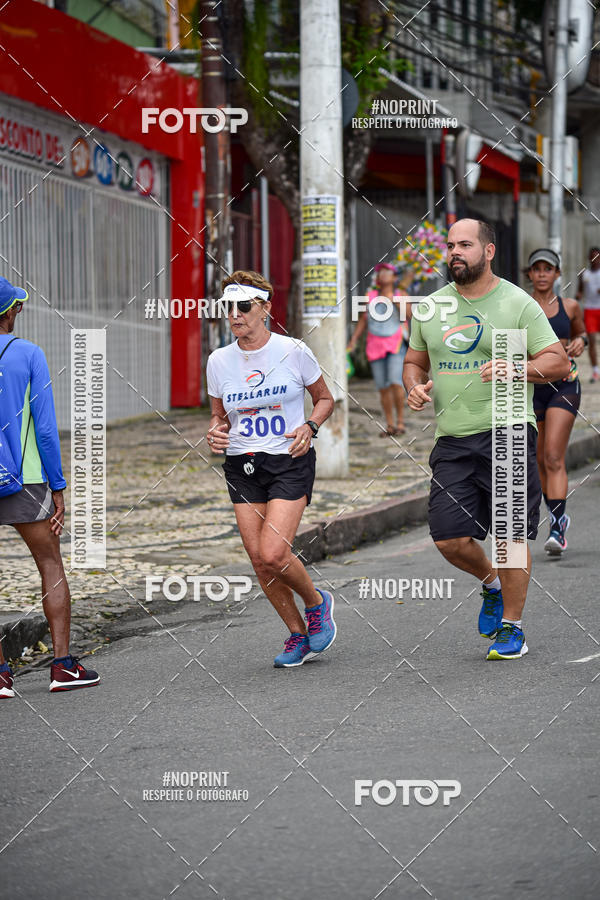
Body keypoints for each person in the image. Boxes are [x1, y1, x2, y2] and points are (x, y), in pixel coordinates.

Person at [403, 219, 570, 660]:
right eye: (451, 245)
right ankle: (491, 584)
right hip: (453, 437)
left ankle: (513, 628)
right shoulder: (432, 307)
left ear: (489, 251)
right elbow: (414, 361)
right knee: (448, 538)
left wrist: (516, 368)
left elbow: (558, 363)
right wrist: (414, 385)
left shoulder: (517, 303)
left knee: (511, 537)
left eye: (465, 244)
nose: (455, 252)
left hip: (509, 430)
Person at [206, 270, 336, 668]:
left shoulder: (292, 350)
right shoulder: (218, 361)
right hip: (242, 464)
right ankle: (297, 634)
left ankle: (317, 603)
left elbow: (325, 398)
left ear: (265, 308)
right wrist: (215, 433)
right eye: (229, 307)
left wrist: (310, 425)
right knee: (259, 560)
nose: (235, 314)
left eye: (244, 306)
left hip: (288, 460)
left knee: (274, 551)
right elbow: (217, 417)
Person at [0, 277, 99, 697]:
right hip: (25, 480)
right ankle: (62, 666)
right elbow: (43, 428)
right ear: (12, 311)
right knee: (50, 564)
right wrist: (58, 486)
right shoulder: (28, 354)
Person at [526, 248, 587, 555]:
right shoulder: (520, 307)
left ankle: (557, 526)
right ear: (529, 274)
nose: (541, 274)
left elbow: (581, 334)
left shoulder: (571, 306)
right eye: (536, 269)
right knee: (538, 460)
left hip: (564, 385)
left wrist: (581, 341)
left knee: (552, 456)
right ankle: (557, 517)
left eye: (547, 269)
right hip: (532, 387)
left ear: (557, 274)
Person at [347, 263, 413, 436]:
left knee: (395, 383)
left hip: (396, 343)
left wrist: (395, 300)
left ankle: (400, 421)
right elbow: (363, 320)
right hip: (374, 345)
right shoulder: (370, 296)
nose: (383, 275)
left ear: (394, 278)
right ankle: (389, 424)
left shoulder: (401, 294)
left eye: (387, 273)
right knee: (382, 387)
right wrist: (353, 340)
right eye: (380, 273)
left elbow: (409, 314)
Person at [576, 247, 600, 382]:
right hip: (590, 310)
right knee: (591, 341)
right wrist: (577, 296)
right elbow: (579, 291)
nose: (595, 260)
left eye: (597, 257)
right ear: (589, 258)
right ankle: (595, 370)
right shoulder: (584, 274)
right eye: (593, 257)